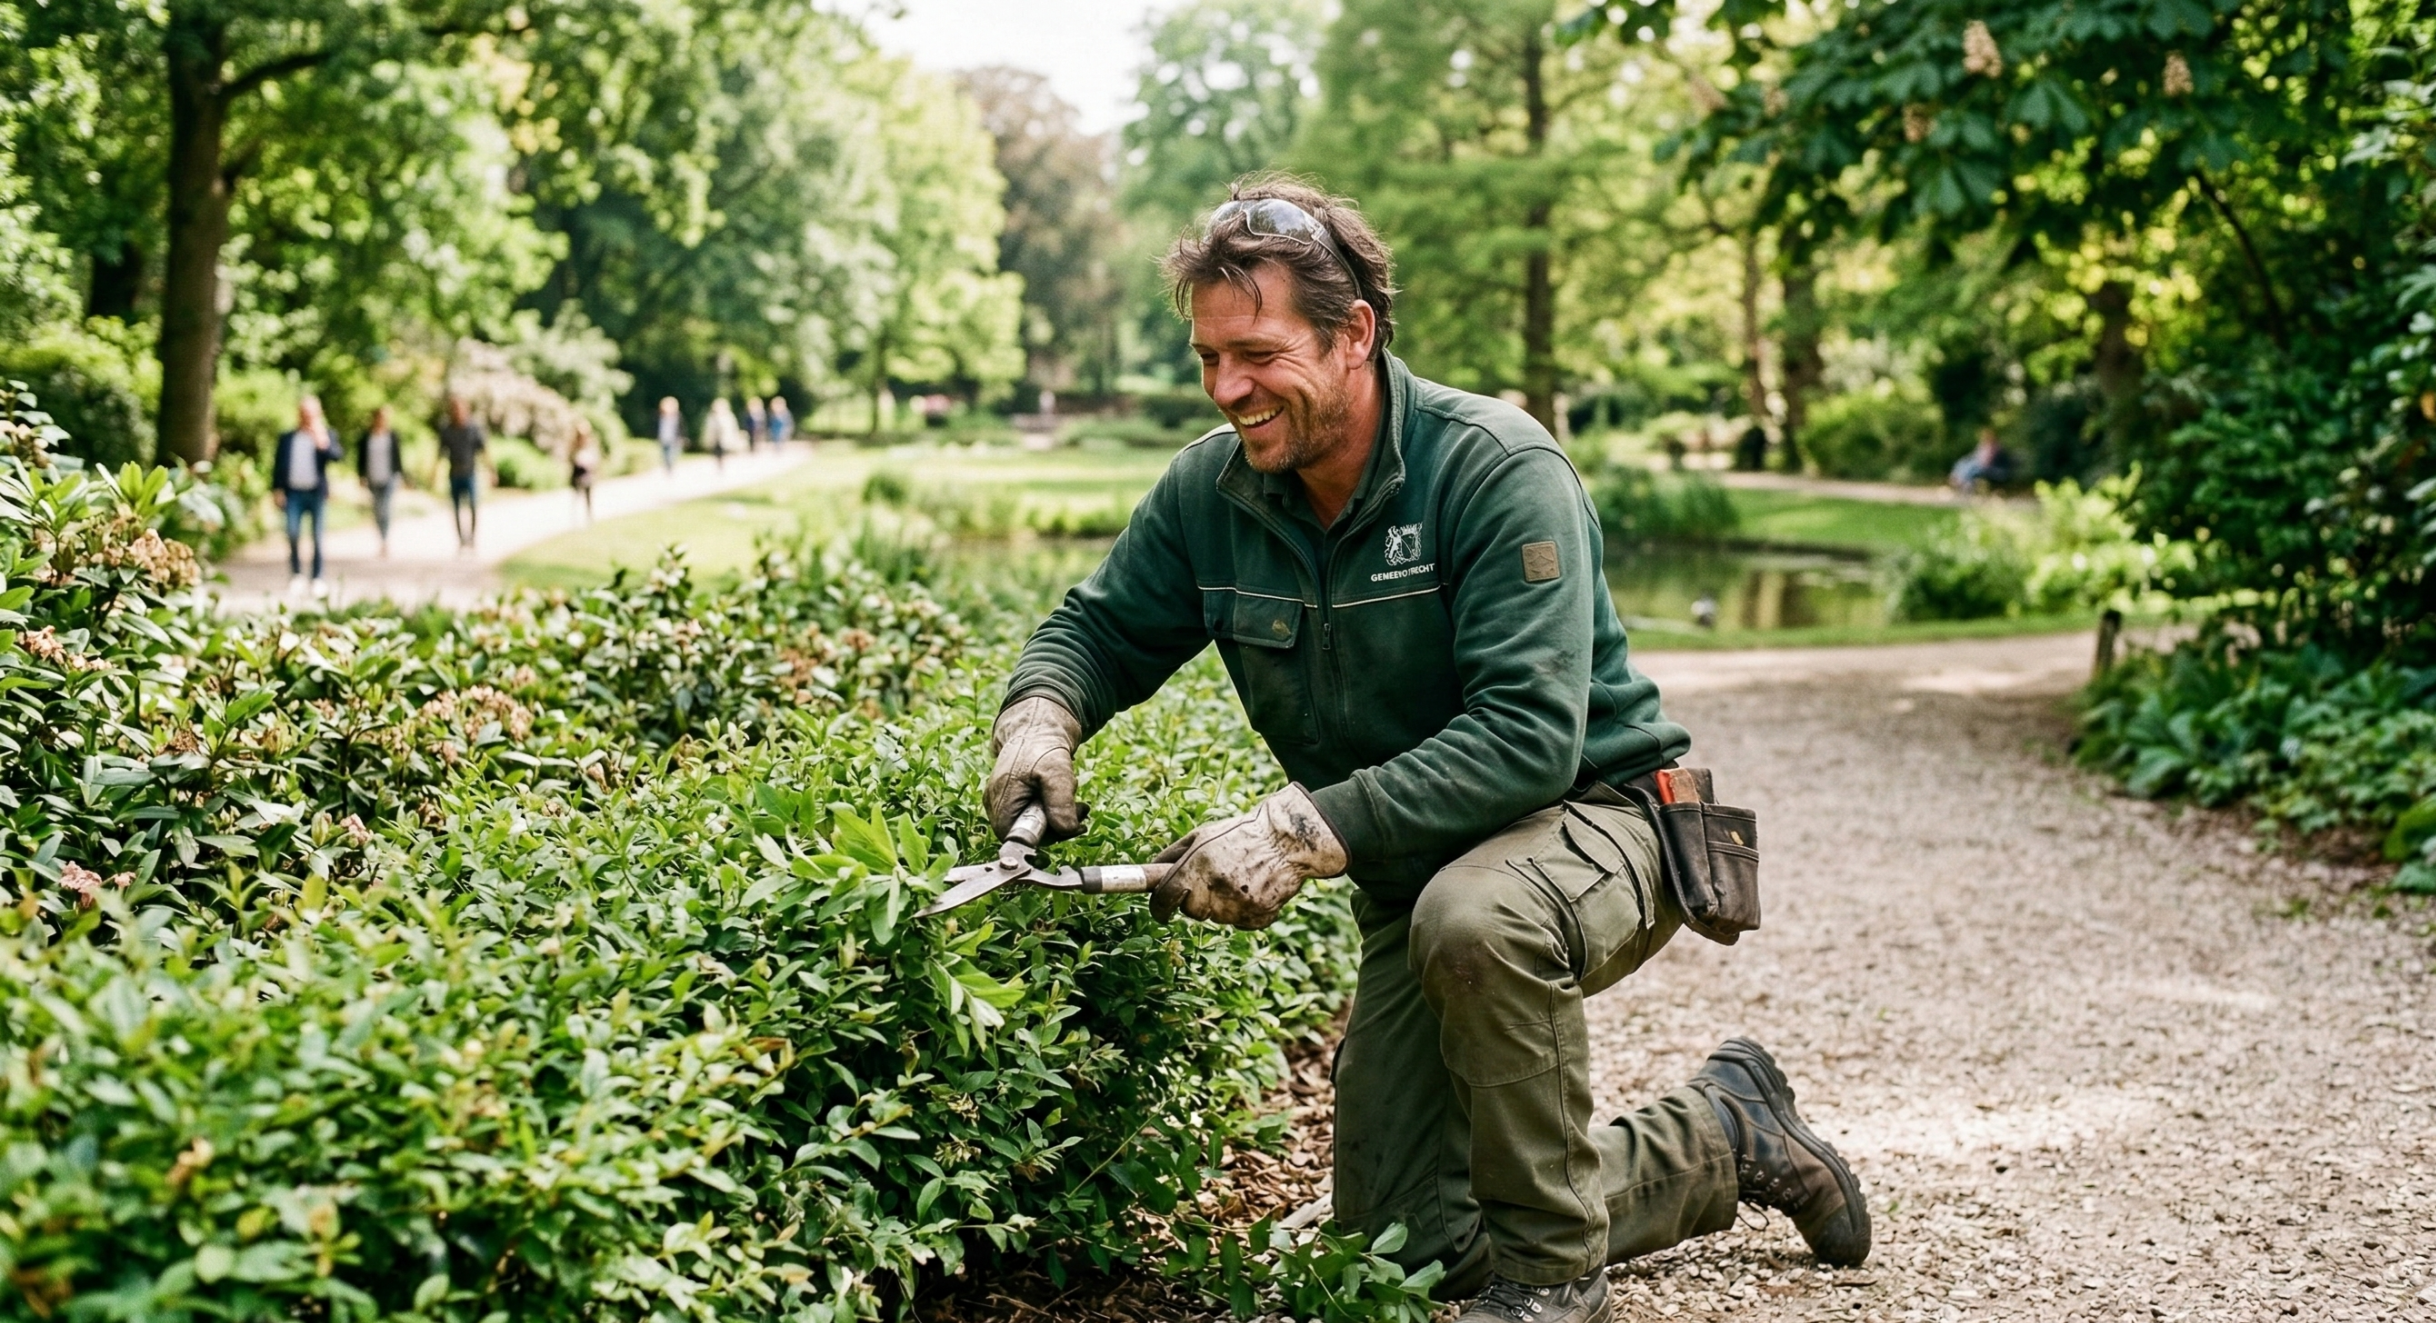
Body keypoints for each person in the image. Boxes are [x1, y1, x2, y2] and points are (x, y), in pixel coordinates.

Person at [983, 180, 1870, 1323]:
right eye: (1207, 358)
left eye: (1256, 353)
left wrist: (1295, 830)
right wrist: (1041, 718)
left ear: (1353, 334)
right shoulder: (1214, 491)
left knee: (1478, 919)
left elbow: (1526, 739)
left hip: (1603, 823)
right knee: (1411, 1246)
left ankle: (1556, 1282)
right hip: (1424, 868)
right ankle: (1724, 1129)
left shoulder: (1494, 469)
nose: (1226, 388)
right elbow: (1098, 628)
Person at [270, 395, 341, 597]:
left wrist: (322, 442)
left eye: (311, 414)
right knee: (292, 533)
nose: (307, 417)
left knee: (318, 537)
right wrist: (276, 489)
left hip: (316, 493)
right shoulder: (288, 438)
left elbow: (336, 456)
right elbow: (278, 465)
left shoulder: (326, 435)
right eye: (304, 413)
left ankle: (318, 578)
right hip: (293, 493)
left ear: (318, 415)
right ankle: (297, 575)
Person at [438, 395, 491, 551]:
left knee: (473, 506)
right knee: (456, 509)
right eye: (455, 409)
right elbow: (440, 452)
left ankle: (472, 538)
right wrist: (434, 472)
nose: (457, 412)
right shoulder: (446, 430)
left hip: (470, 473)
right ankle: (461, 540)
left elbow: (483, 450)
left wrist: (491, 470)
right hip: (454, 473)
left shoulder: (474, 428)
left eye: (460, 409)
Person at [356, 405, 405, 560]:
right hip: (373, 477)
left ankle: (385, 540)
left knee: (385, 509)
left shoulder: (392, 436)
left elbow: (397, 457)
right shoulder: (366, 437)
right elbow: (361, 458)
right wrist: (361, 475)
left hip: (389, 478)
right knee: (377, 510)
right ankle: (381, 539)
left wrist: (401, 475)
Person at [1949, 426, 2016, 492]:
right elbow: (1975, 455)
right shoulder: (1983, 445)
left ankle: (1963, 482)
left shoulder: (1994, 447)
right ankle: (1960, 479)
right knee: (1962, 463)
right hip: (1979, 464)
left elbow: (1987, 461)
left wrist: (1980, 460)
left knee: (1971, 468)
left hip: (1990, 468)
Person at [569, 419, 602, 524]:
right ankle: (577, 518)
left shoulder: (590, 444)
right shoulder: (573, 445)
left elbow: (595, 458)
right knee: (577, 495)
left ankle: (589, 517)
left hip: (587, 472)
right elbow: (570, 457)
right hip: (577, 472)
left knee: (588, 496)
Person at [702, 398, 739, 474]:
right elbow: (709, 429)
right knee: (717, 454)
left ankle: (723, 467)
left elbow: (733, 428)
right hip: (716, 439)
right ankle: (720, 467)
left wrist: (735, 438)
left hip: (725, 439)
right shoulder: (712, 417)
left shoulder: (729, 416)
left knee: (724, 454)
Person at [656, 396, 684, 474]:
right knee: (664, 456)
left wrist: (682, 437)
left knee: (671, 456)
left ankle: (670, 470)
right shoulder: (660, 417)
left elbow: (681, 428)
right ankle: (668, 469)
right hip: (664, 438)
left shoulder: (677, 416)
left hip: (674, 439)